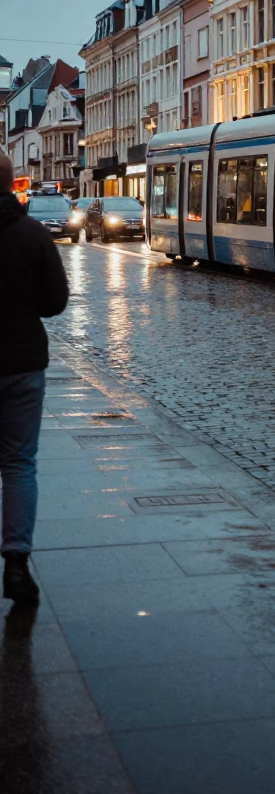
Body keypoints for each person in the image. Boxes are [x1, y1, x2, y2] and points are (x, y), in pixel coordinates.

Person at [0, 152, 69, 604]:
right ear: (12, 183)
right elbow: (55, 302)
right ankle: (17, 566)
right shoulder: (32, 234)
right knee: (20, 464)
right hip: (22, 361)